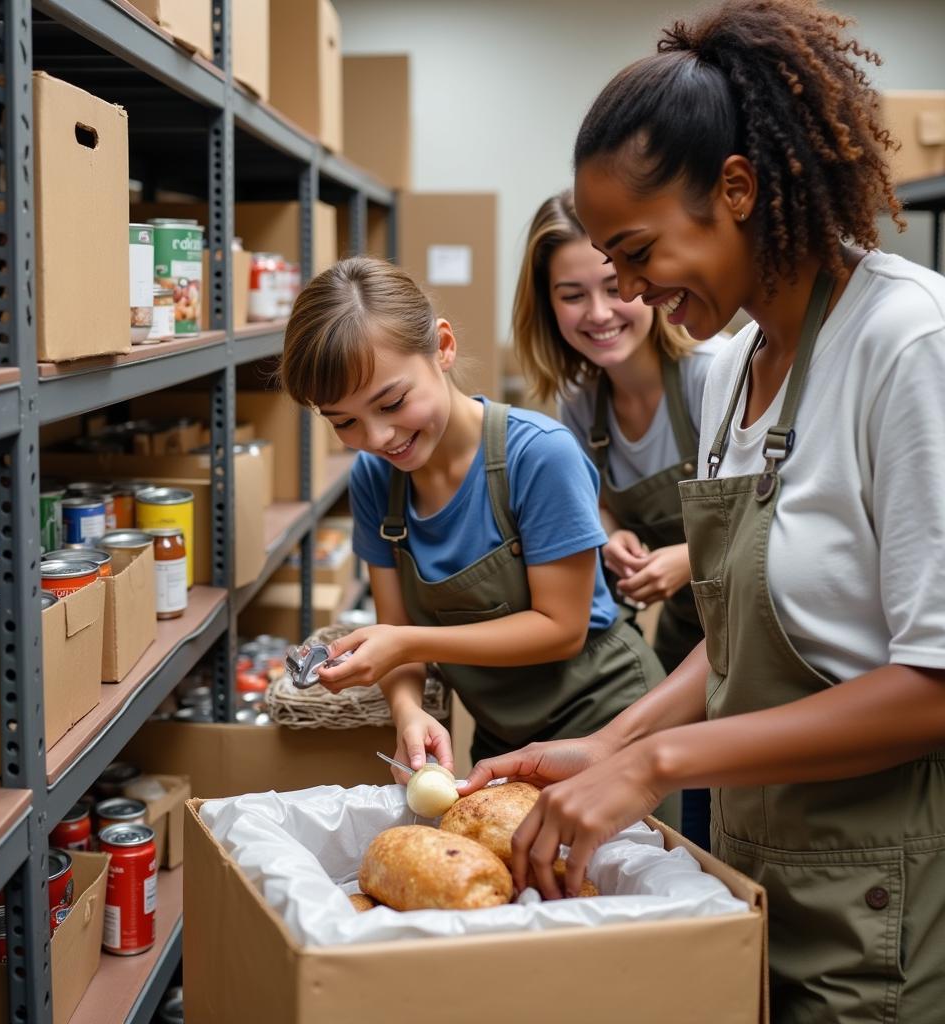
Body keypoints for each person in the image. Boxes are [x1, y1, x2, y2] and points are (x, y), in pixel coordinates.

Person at [461, 1, 945, 1019]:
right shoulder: (728, 368)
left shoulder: (903, 344)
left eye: (636, 252)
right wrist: (619, 739)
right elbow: (741, 642)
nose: (626, 292)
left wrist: (658, 763)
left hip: (882, 902)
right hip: (750, 871)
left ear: (736, 189)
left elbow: (932, 686)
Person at [280, 255, 678, 825]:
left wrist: (408, 643)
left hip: (609, 722)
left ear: (442, 348)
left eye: (392, 403)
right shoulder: (375, 479)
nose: (377, 437)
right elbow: (395, 636)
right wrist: (407, 711)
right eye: (344, 421)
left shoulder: (538, 455)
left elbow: (561, 629)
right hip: (500, 735)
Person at [512, 190, 722, 847]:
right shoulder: (582, 406)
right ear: (546, 305)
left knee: (728, 813)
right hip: (686, 637)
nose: (599, 313)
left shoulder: (711, 378)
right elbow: (596, 495)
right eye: (572, 294)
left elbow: (781, 522)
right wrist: (609, 529)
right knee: (682, 826)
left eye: (613, 287)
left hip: (752, 629)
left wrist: (689, 558)